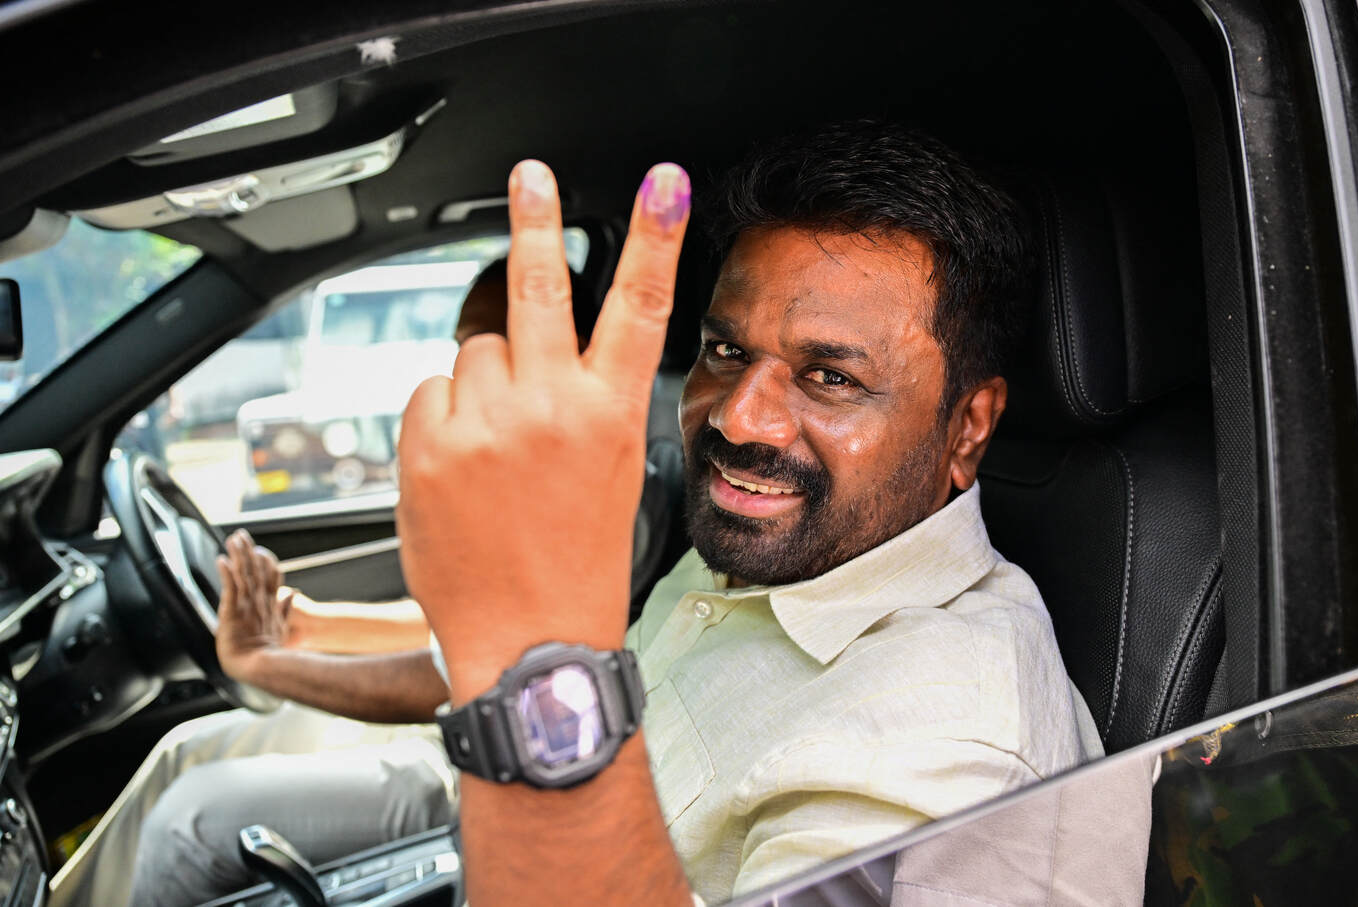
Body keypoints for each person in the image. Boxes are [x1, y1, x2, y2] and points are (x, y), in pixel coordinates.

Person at [397, 122, 1103, 906]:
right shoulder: (767, 548)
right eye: (727, 352)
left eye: (830, 377)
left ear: (967, 427)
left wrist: (537, 647)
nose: (739, 419)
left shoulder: (955, 749)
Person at [45, 259, 680, 907]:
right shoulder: (522, 466)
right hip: (446, 722)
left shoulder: (592, 489)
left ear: (568, 347)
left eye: (491, 346)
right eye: (464, 345)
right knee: (182, 750)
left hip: (476, 758)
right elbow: (453, 629)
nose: (466, 369)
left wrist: (270, 664)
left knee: (188, 819)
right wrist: (309, 624)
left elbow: (459, 677)